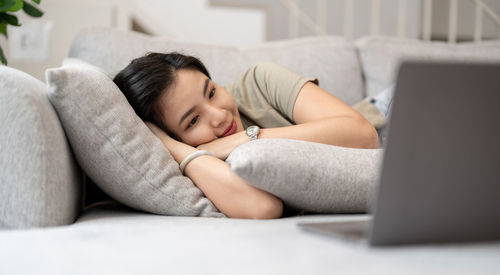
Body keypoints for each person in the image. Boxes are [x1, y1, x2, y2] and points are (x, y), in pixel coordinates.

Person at [113, 52, 384, 219]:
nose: (220, 115)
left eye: (211, 92)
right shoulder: (196, 166)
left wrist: (246, 139)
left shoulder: (261, 81)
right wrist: (170, 147)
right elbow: (262, 208)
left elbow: (363, 135)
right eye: (193, 120)